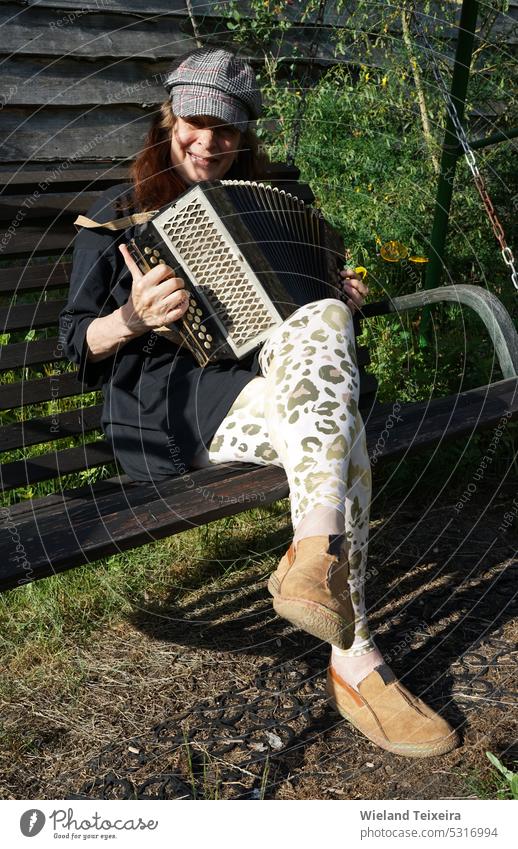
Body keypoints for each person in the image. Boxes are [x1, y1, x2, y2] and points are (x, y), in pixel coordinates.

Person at [61, 47, 459, 758]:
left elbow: (303, 318)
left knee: (330, 325)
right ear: (167, 116)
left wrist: (338, 299)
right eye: (196, 123)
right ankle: (357, 659)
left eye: (227, 131)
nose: (209, 143)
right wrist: (132, 319)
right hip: (170, 406)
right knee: (344, 438)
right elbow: (74, 343)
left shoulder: (275, 204)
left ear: (245, 136)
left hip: (270, 387)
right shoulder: (116, 217)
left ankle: (316, 561)